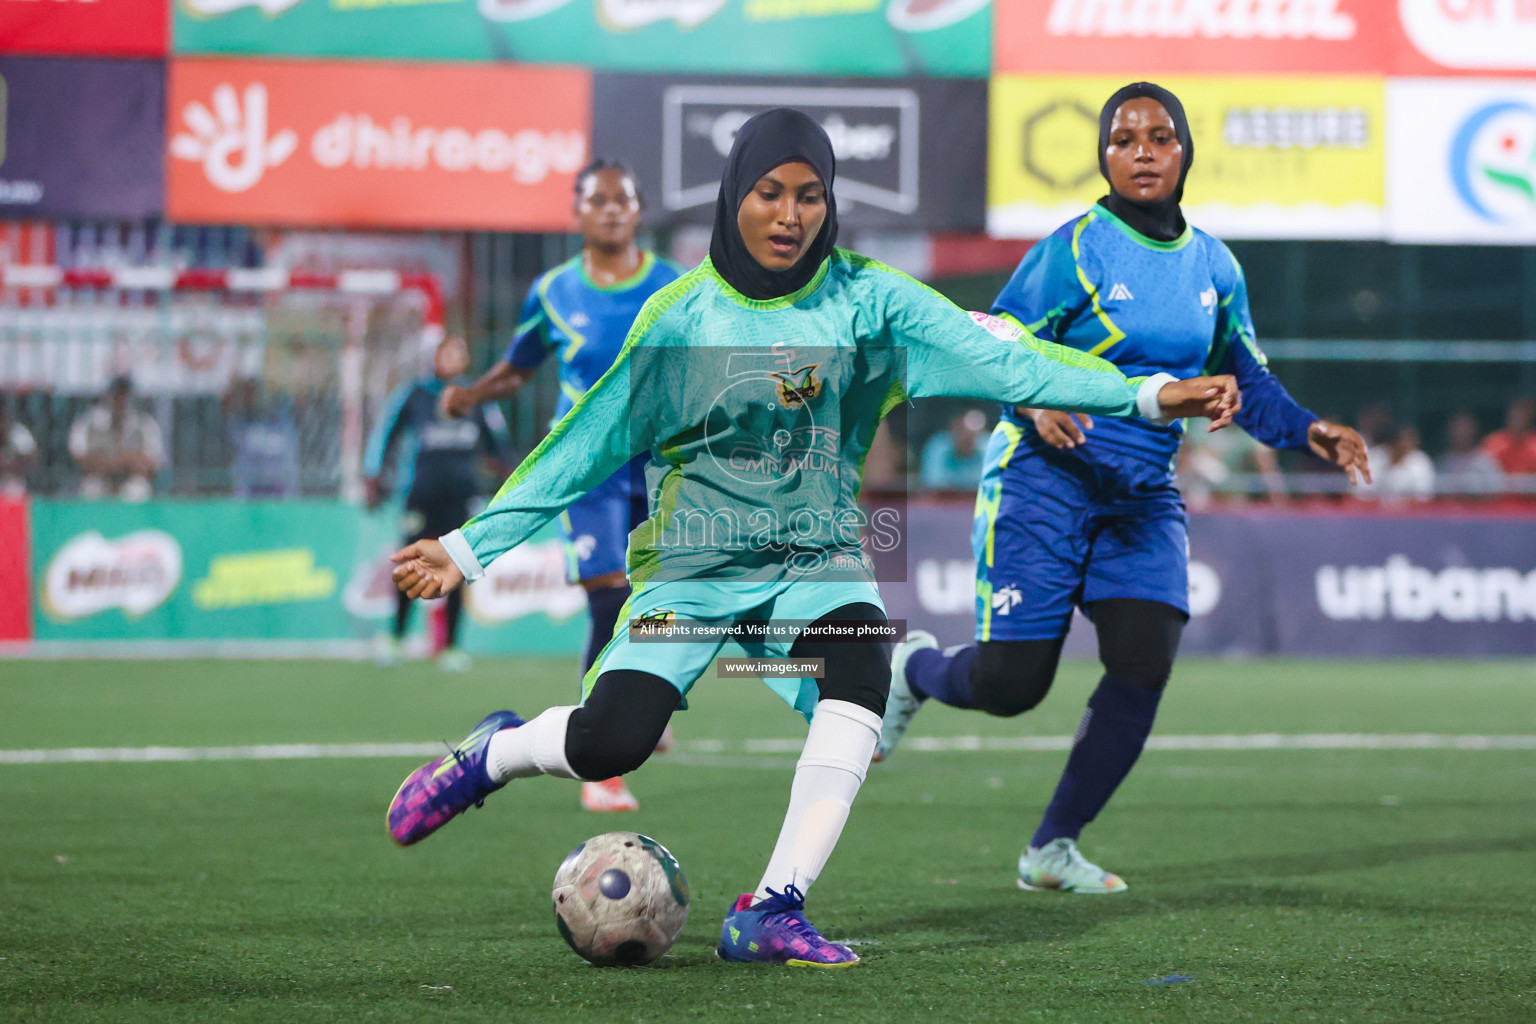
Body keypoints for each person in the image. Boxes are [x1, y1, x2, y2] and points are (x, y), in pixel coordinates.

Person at [383, 108, 1239, 967]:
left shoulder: (872, 304)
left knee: (861, 670)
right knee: (613, 741)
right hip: (696, 567)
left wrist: (1148, 395)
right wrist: (466, 550)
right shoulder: (679, 321)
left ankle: (772, 907)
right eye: (769, 193)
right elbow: (583, 446)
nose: (790, 215)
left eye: (810, 196)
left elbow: (1014, 361)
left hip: (817, 561)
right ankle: (493, 754)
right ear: (734, 198)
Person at [877, 83, 1371, 895]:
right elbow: (991, 342)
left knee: (1144, 659)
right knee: (1011, 689)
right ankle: (917, 672)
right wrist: (1029, 400)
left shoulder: (1215, 264)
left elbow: (1246, 376)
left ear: (1184, 152)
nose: (1142, 150)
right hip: (1045, 482)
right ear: (1104, 156)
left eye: (1159, 136)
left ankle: (1052, 847)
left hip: (1142, 494)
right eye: (1124, 139)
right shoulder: (1074, 250)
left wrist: (1309, 429)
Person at [439, 159, 684, 813]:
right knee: (609, 596)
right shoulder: (553, 292)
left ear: (639, 211)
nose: (610, 209)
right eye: (596, 199)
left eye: (622, 198)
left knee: (659, 597)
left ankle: (649, 702)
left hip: (663, 466)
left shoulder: (675, 286)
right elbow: (520, 368)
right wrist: (471, 395)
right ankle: (602, 761)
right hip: (589, 470)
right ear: (576, 213)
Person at [364, 335, 512, 672]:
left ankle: (451, 647)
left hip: (461, 496)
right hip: (421, 494)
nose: (451, 359)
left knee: (458, 567)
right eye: (446, 352)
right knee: (410, 562)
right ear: (435, 357)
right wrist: (374, 475)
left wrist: (508, 475)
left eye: (458, 354)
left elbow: (498, 443)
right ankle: (397, 638)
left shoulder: (477, 397)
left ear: (465, 361)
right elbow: (388, 433)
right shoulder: (415, 394)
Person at [69, 375, 163, 501]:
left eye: (124, 394)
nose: (121, 399)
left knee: (138, 491)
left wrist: (124, 463)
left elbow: (151, 462)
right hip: (99, 479)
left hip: (130, 479)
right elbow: (81, 458)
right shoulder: (88, 422)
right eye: (117, 394)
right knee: (91, 490)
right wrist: (116, 463)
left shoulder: (145, 423)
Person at [225, 378, 301, 500]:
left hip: (279, 487)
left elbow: (290, 467)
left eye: (256, 395)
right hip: (250, 488)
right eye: (248, 396)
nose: (253, 400)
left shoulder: (284, 426)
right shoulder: (240, 426)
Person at [1436, 411, 1503, 497]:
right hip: (1450, 509)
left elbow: (1496, 492)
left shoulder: (1486, 461)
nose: (1462, 432)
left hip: (1480, 509)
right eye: (1458, 427)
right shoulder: (1442, 463)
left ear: (1474, 430)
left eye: (1466, 428)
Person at [1361, 423, 1434, 502]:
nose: (1408, 444)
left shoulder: (1420, 461)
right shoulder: (1373, 458)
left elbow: (1423, 495)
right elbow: (1362, 491)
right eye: (1404, 440)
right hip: (1374, 511)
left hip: (1411, 511)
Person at [920, 409, 988, 491]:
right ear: (953, 429)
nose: (966, 437)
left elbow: (990, 482)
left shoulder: (988, 446)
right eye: (961, 430)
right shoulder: (938, 446)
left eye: (972, 434)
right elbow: (933, 482)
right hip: (943, 501)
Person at [1481, 396, 1536, 479]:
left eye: (1522, 414)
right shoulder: (1495, 441)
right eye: (1515, 413)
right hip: (1499, 490)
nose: (1518, 418)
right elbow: (1483, 467)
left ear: (1530, 417)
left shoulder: (1533, 443)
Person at [0, 402, 37, 498]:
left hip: (17, 479)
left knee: (13, 488)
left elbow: (32, 456)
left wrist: (11, 465)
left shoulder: (17, 432)